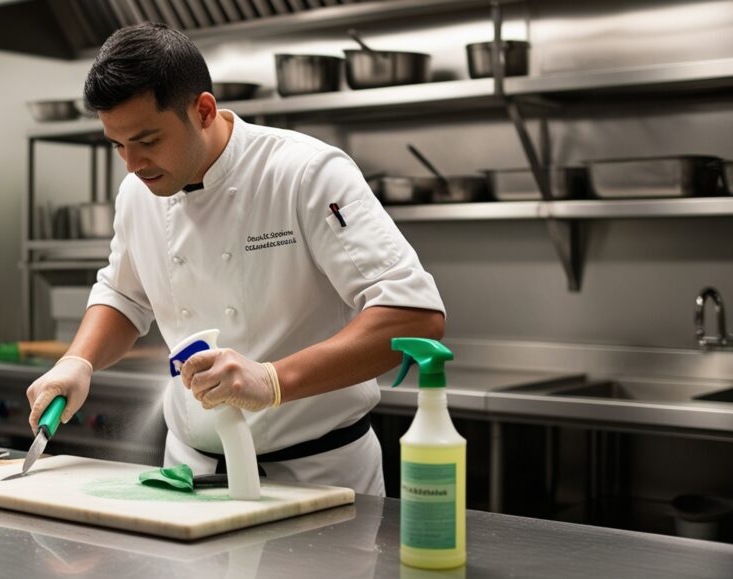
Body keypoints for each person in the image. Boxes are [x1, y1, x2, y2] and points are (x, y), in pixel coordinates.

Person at [26, 22, 445, 496]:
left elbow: (415, 318)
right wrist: (77, 361)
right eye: (118, 145)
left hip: (316, 479)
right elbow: (124, 296)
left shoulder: (305, 173)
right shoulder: (137, 192)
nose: (133, 163)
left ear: (203, 110)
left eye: (147, 141)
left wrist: (272, 380)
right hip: (190, 476)